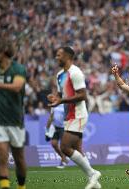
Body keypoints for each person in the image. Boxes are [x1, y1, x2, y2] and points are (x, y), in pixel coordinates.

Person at [47, 46, 101, 189]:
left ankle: (93, 174)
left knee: (65, 147)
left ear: (68, 57)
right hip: (68, 115)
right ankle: (95, 183)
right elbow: (61, 95)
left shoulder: (75, 73)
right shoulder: (59, 75)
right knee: (78, 150)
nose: (56, 57)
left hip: (78, 114)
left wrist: (62, 101)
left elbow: (83, 95)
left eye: (59, 55)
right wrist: (55, 98)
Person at [0, 38, 27, 189]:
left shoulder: (18, 69)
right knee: (2, 154)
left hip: (15, 120)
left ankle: (21, 186)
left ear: (3, 53)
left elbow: (17, 87)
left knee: (19, 159)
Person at [45, 103, 68, 168]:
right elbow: (51, 117)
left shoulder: (64, 104)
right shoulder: (53, 105)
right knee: (54, 144)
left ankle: (63, 161)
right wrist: (47, 131)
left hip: (63, 127)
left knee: (63, 145)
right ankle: (64, 158)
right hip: (55, 127)